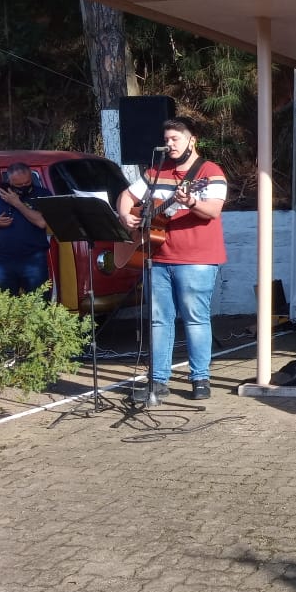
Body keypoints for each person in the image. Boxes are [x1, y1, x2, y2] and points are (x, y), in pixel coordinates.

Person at [117, 118, 227, 401]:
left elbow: (213, 211)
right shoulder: (156, 171)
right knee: (158, 320)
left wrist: (192, 202)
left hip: (196, 259)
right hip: (157, 257)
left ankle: (200, 379)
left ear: (192, 140)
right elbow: (127, 195)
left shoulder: (210, 172)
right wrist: (125, 215)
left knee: (195, 319)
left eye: (175, 139)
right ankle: (158, 381)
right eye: (166, 140)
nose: (170, 145)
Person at [0, 162, 51, 296]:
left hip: (34, 260)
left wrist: (17, 203)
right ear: (10, 181)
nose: (24, 186)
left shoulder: (42, 194)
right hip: (5, 261)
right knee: (5, 302)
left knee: (39, 301)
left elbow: (42, 222)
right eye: (19, 185)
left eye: (27, 182)